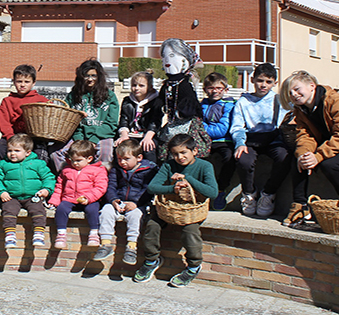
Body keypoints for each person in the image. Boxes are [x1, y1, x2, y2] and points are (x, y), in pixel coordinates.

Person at [279, 70, 339, 227]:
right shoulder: (301, 110)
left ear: (311, 86)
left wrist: (318, 156)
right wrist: (305, 154)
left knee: (329, 164)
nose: (294, 94)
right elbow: (305, 136)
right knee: (299, 158)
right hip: (330, 145)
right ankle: (300, 205)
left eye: (297, 89)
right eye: (290, 93)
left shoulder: (336, 101)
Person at [133, 133, 217, 287]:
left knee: (190, 231)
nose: (180, 157)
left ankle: (193, 265)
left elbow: (212, 192)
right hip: (169, 207)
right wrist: (173, 188)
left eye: (184, 152)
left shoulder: (205, 166)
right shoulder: (168, 165)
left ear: (195, 151)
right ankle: (152, 260)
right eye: (175, 154)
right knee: (152, 224)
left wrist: (188, 179)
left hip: (193, 208)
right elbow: (152, 187)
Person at [229, 62, 290, 218]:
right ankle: (249, 192)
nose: (263, 85)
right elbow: (237, 126)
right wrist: (240, 143)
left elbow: (285, 123)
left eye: (268, 82)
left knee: (284, 158)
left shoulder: (278, 100)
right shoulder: (243, 101)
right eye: (260, 80)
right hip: (251, 139)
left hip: (273, 139)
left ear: (275, 83)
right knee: (243, 160)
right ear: (253, 80)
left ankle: (268, 194)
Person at [94, 139, 157, 264]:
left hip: (138, 204)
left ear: (139, 157)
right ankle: (105, 244)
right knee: (106, 211)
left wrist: (136, 203)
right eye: (119, 159)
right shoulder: (116, 169)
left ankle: (131, 247)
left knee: (135, 216)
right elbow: (111, 186)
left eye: (126, 159)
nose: (122, 162)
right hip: (119, 201)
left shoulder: (149, 170)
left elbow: (148, 190)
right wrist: (113, 200)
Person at [0, 134, 55, 250]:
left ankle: (39, 234)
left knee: (38, 211)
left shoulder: (37, 164)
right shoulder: (3, 165)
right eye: (9, 151)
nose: (12, 153)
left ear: (28, 152)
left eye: (17, 150)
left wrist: (46, 189)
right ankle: (10, 235)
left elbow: (48, 178)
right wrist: (1, 192)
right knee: (9, 211)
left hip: (32, 196)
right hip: (12, 196)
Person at [52, 59, 119, 169]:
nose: (90, 79)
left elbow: (111, 124)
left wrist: (93, 140)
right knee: (56, 153)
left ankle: (98, 182)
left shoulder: (109, 96)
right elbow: (68, 120)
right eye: (86, 75)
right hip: (77, 136)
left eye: (93, 75)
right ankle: (69, 178)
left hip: (101, 136)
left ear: (99, 77)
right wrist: (79, 140)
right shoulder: (73, 96)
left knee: (105, 152)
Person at [48, 140, 109, 249]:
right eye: (72, 160)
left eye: (78, 160)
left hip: (89, 199)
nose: (75, 163)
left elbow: (100, 187)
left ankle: (94, 233)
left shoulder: (98, 170)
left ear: (89, 159)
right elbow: (60, 186)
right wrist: (54, 201)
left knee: (92, 210)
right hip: (69, 198)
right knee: (61, 209)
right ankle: (61, 234)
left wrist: (89, 197)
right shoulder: (67, 170)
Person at [0, 64, 50, 162]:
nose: (22, 85)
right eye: (19, 81)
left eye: (27, 82)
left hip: (35, 137)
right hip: (13, 136)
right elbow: (4, 123)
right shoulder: (7, 101)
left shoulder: (41, 100)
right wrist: (12, 139)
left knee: (40, 154)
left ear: (33, 83)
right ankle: (1, 173)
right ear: (14, 82)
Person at [201, 72, 236, 210]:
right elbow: (197, 122)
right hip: (204, 141)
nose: (214, 91)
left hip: (223, 140)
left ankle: (221, 190)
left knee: (229, 158)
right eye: (210, 88)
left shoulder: (229, 105)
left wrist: (205, 129)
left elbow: (222, 129)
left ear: (225, 90)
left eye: (218, 88)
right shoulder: (202, 105)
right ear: (205, 90)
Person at [117, 70, 164, 162]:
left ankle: (151, 170)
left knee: (148, 148)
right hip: (131, 133)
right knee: (120, 147)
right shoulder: (127, 101)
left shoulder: (156, 101)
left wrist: (148, 137)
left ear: (150, 87)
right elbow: (124, 120)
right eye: (134, 85)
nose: (136, 88)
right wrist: (124, 135)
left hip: (149, 134)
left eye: (141, 85)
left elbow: (155, 121)